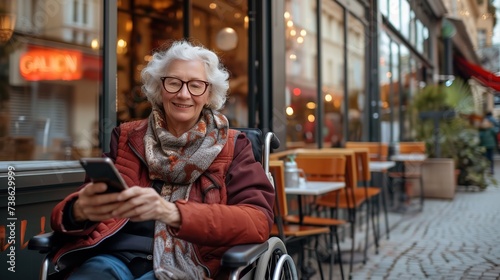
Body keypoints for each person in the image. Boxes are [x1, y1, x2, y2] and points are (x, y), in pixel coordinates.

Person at [50, 40, 275, 280]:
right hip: (114, 256)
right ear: (160, 88)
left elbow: (257, 221)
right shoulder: (126, 137)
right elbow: (75, 207)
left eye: (196, 85)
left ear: (209, 94)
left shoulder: (234, 145)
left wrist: (173, 213)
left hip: (191, 265)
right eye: (174, 83)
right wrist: (79, 210)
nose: (183, 94)